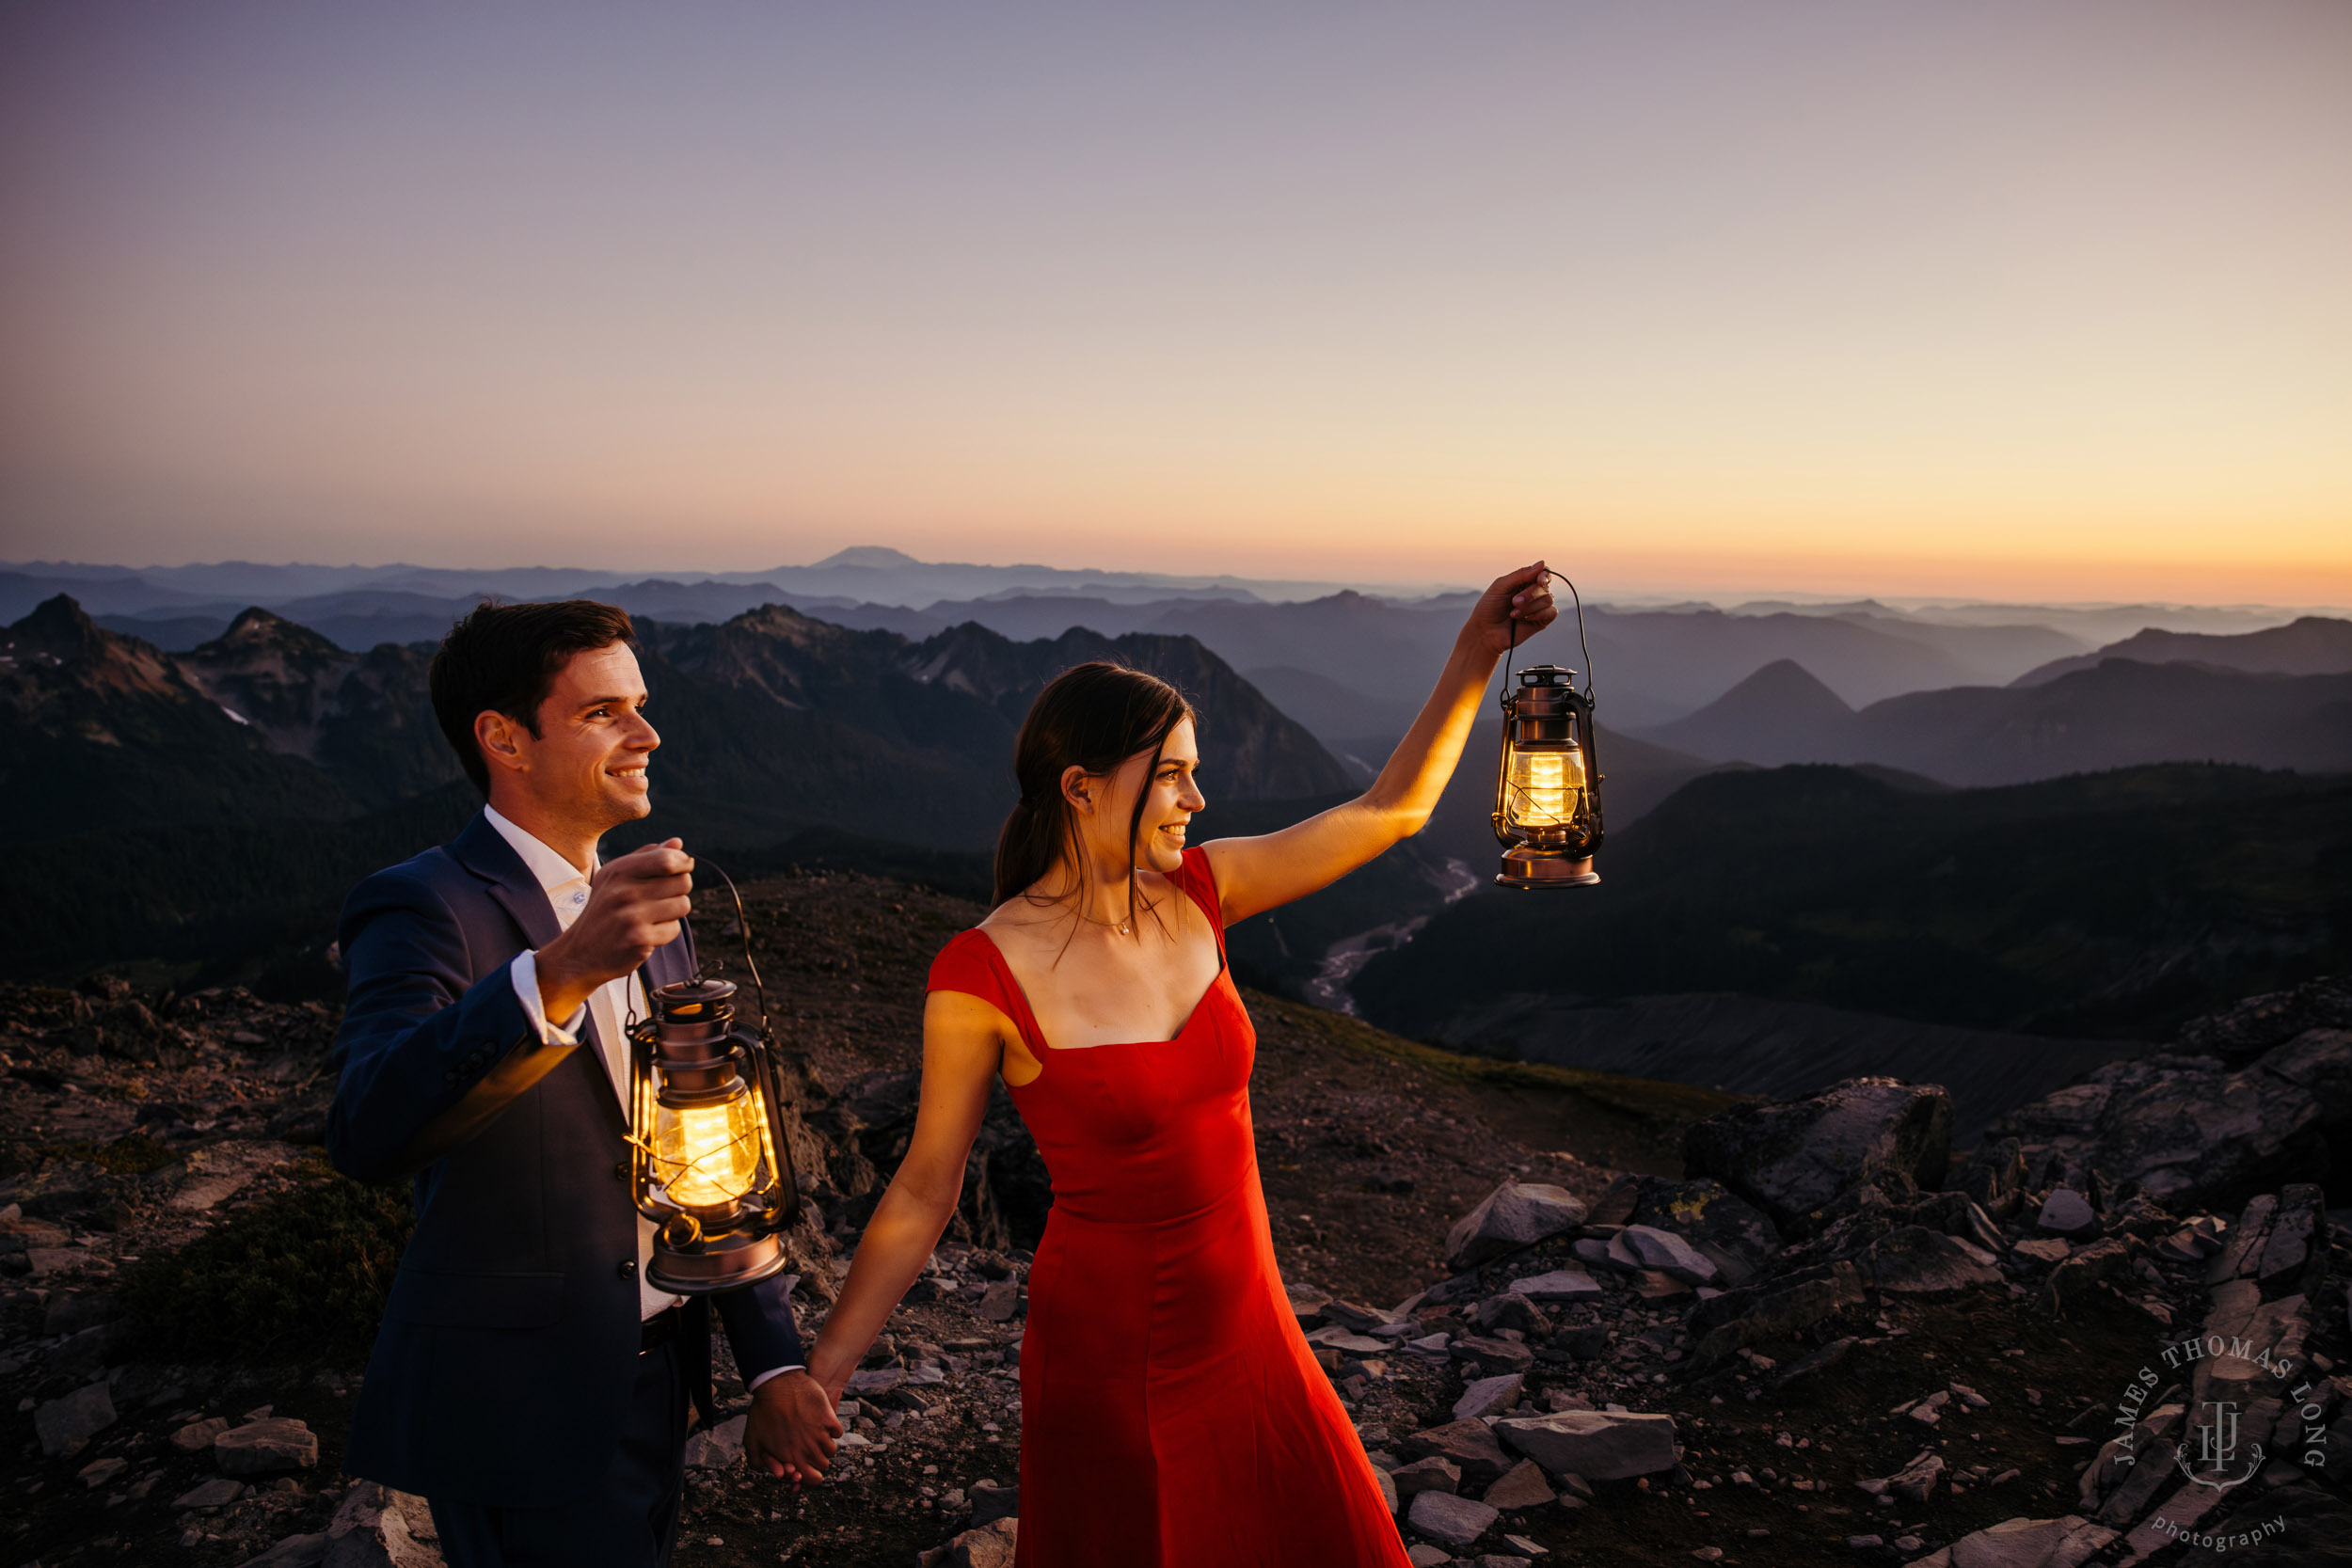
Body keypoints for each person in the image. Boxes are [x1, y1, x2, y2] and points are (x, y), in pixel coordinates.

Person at [795, 563, 1561, 1564]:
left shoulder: (1205, 888)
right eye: (1170, 774)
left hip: (1249, 1316)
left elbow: (1389, 811)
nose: (1197, 796)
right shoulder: (979, 972)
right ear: (1079, 788)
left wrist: (1475, 652)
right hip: (1107, 1351)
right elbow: (922, 1192)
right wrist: (825, 1372)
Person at [326, 600, 838, 1568]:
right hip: (515, 1400)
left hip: (658, 1383)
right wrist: (554, 973)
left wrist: (769, 1357)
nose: (648, 733)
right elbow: (365, 1126)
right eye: (606, 711)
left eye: (640, 705)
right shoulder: (422, 902)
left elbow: (704, 1153)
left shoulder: (649, 905)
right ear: (504, 738)